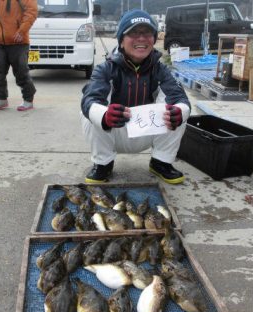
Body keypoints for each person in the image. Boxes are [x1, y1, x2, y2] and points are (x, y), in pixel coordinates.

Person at [80, 9, 191, 184]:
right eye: (133, 33)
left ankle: (161, 162)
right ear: (121, 41)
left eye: (147, 33)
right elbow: (89, 100)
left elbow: (181, 99)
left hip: (149, 131)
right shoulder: (105, 69)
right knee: (90, 113)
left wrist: (179, 112)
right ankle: (103, 163)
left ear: (154, 39)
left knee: (179, 110)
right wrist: (105, 116)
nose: (141, 38)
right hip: (115, 131)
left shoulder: (161, 70)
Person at [0, 0, 38, 112]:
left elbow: (32, 11)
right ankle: (1, 98)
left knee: (21, 72)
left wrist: (22, 30)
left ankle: (28, 99)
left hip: (19, 40)